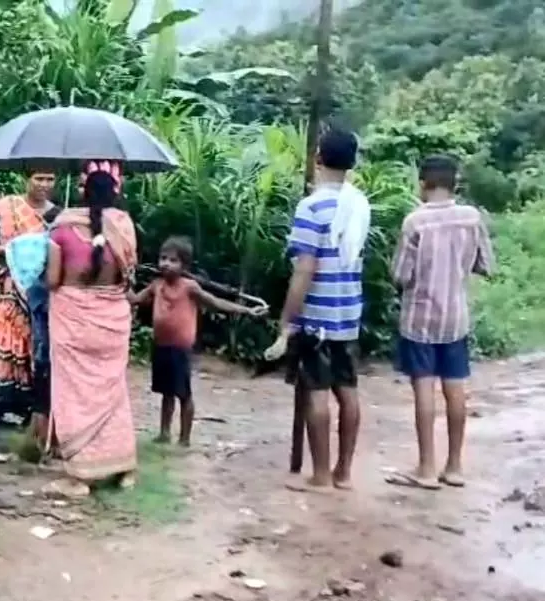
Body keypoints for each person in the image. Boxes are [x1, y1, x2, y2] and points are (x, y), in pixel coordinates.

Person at [264, 128, 371, 492]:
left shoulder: (311, 207)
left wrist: (287, 318)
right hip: (348, 314)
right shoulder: (359, 204)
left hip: (317, 319)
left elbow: (305, 268)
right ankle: (343, 472)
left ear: (318, 158)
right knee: (347, 389)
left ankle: (321, 475)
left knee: (317, 391)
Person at [387, 155, 495, 490]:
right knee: (455, 387)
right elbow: (486, 265)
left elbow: (401, 275)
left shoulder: (414, 222)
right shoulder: (471, 218)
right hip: (455, 317)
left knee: (424, 386)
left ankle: (426, 468)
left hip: (419, 318)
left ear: (423, 184)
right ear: (454, 184)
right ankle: (455, 466)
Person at [41, 161, 137, 497]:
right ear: (115, 191)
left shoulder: (62, 228)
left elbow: (53, 280)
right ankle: (124, 468)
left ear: (82, 190)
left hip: (73, 320)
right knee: (113, 390)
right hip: (112, 320)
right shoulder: (124, 226)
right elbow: (127, 278)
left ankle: (79, 476)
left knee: (75, 394)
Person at [132, 236, 267, 446]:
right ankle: (164, 433)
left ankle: (184, 438)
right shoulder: (156, 285)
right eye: (163, 258)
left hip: (180, 348)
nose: (166, 263)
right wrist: (119, 280)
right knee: (166, 392)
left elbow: (216, 303)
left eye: (173, 260)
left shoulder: (189, 287)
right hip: (161, 345)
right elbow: (135, 299)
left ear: (184, 265)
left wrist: (247, 310)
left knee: (183, 393)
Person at [0, 172, 60, 426]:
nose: (44, 185)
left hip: (40, 292)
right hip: (8, 289)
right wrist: (15, 251)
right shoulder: (6, 209)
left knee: (35, 346)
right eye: (39, 178)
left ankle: (32, 408)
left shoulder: (59, 216)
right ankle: (2, 403)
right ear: (27, 179)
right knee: (5, 342)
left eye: (50, 179)